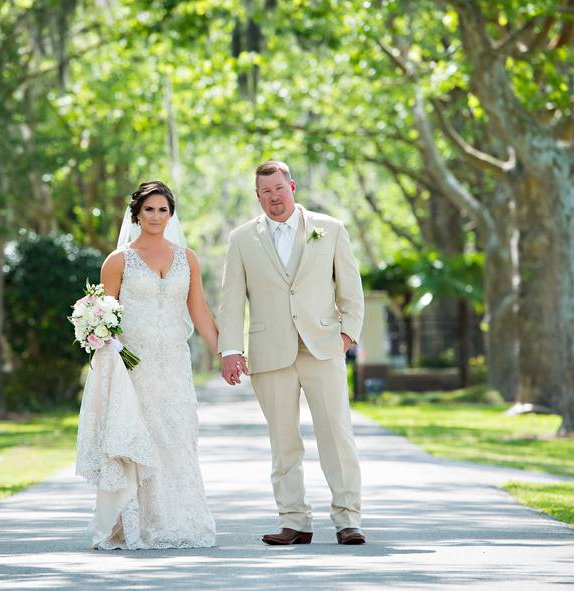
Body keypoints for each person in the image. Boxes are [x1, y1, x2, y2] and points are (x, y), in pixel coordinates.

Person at [217, 161, 366, 545]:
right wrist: (230, 350)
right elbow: (231, 300)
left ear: (292, 187)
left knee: (336, 434)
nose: (273, 198)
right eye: (265, 192)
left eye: (279, 189)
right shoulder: (242, 239)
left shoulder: (330, 229)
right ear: (258, 196)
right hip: (269, 352)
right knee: (283, 440)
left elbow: (350, 289)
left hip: (322, 347)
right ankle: (294, 521)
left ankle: (348, 519)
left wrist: (347, 335)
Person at [76, 180, 217, 549]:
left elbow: (198, 310)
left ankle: (179, 521)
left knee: (177, 435)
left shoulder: (187, 259)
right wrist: (108, 343)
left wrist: (224, 351)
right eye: (150, 209)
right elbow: (106, 314)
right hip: (132, 365)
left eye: (163, 210)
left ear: (171, 214)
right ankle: (137, 525)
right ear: (137, 213)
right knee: (139, 439)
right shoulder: (118, 260)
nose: (156, 216)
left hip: (173, 362)